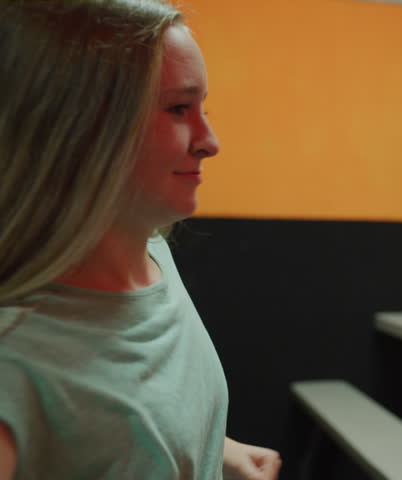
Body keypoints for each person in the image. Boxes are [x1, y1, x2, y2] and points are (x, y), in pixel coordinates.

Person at [0, 1, 281, 479]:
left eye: (203, 108)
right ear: (82, 127)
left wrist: (216, 449)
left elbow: (114, 427)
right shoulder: (14, 361)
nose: (209, 141)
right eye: (178, 108)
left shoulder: (152, 252)